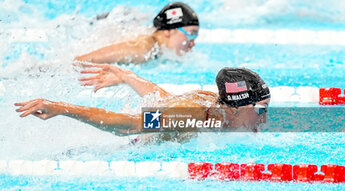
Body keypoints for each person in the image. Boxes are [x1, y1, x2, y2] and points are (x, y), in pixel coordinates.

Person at [15, 65, 271, 142]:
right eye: (261, 110)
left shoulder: (217, 106)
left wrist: (128, 77)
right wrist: (62, 108)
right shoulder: (195, 115)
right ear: (236, 108)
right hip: (130, 146)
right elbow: (128, 125)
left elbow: (164, 99)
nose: (264, 118)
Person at [75, 2, 200, 64]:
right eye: (191, 34)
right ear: (168, 31)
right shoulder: (143, 49)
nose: (193, 42)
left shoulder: (157, 48)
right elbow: (81, 61)